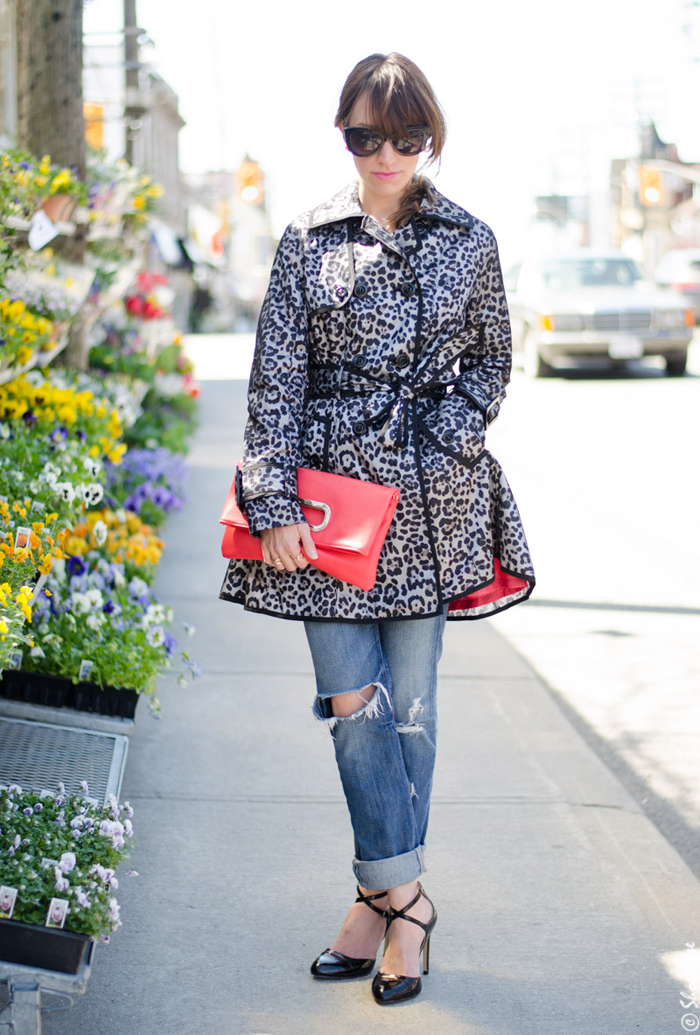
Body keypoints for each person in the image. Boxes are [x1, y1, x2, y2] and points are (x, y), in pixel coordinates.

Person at [220, 52, 535, 1005]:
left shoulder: (470, 241)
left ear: (428, 137)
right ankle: (412, 902)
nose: (385, 153)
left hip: (433, 504)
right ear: (344, 137)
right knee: (352, 703)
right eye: (365, 136)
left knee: (414, 712)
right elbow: (275, 379)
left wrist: (441, 434)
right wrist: (271, 503)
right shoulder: (307, 238)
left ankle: (374, 906)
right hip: (329, 511)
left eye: (404, 136)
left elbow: (491, 362)